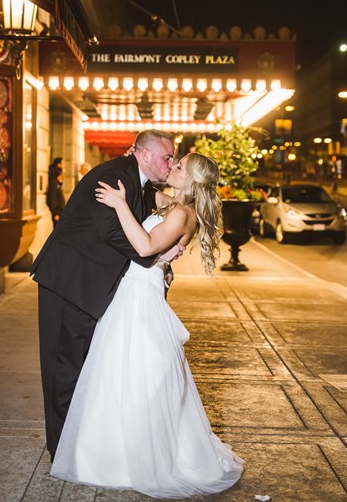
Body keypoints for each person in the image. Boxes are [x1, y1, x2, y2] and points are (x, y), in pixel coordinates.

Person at [50, 152, 245, 498]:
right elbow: (151, 197)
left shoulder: (183, 214)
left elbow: (144, 245)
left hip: (141, 297)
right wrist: (133, 163)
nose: (173, 167)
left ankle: (135, 456)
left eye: (180, 166)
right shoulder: (175, 205)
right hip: (130, 292)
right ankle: (111, 451)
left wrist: (119, 203)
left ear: (193, 179)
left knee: (139, 373)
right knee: (115, 373)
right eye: (173, 160)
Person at [29, 129, 183, 463]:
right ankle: (61, 449)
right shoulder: (115, 176)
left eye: (173, 159)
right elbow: (111, 230)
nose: (169, 164)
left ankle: (75, 440)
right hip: (69, 282)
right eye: (166, 157)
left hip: (88, 284)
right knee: (63, 366)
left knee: (80, 364)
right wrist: (153, 256)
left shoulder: (137, 182)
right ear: (143, 154)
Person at [47, 159, 66, 228]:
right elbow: (53, 199)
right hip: (57, 213)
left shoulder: (57, 184)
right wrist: (56, 213)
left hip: (60, 212)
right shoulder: (54, 185)